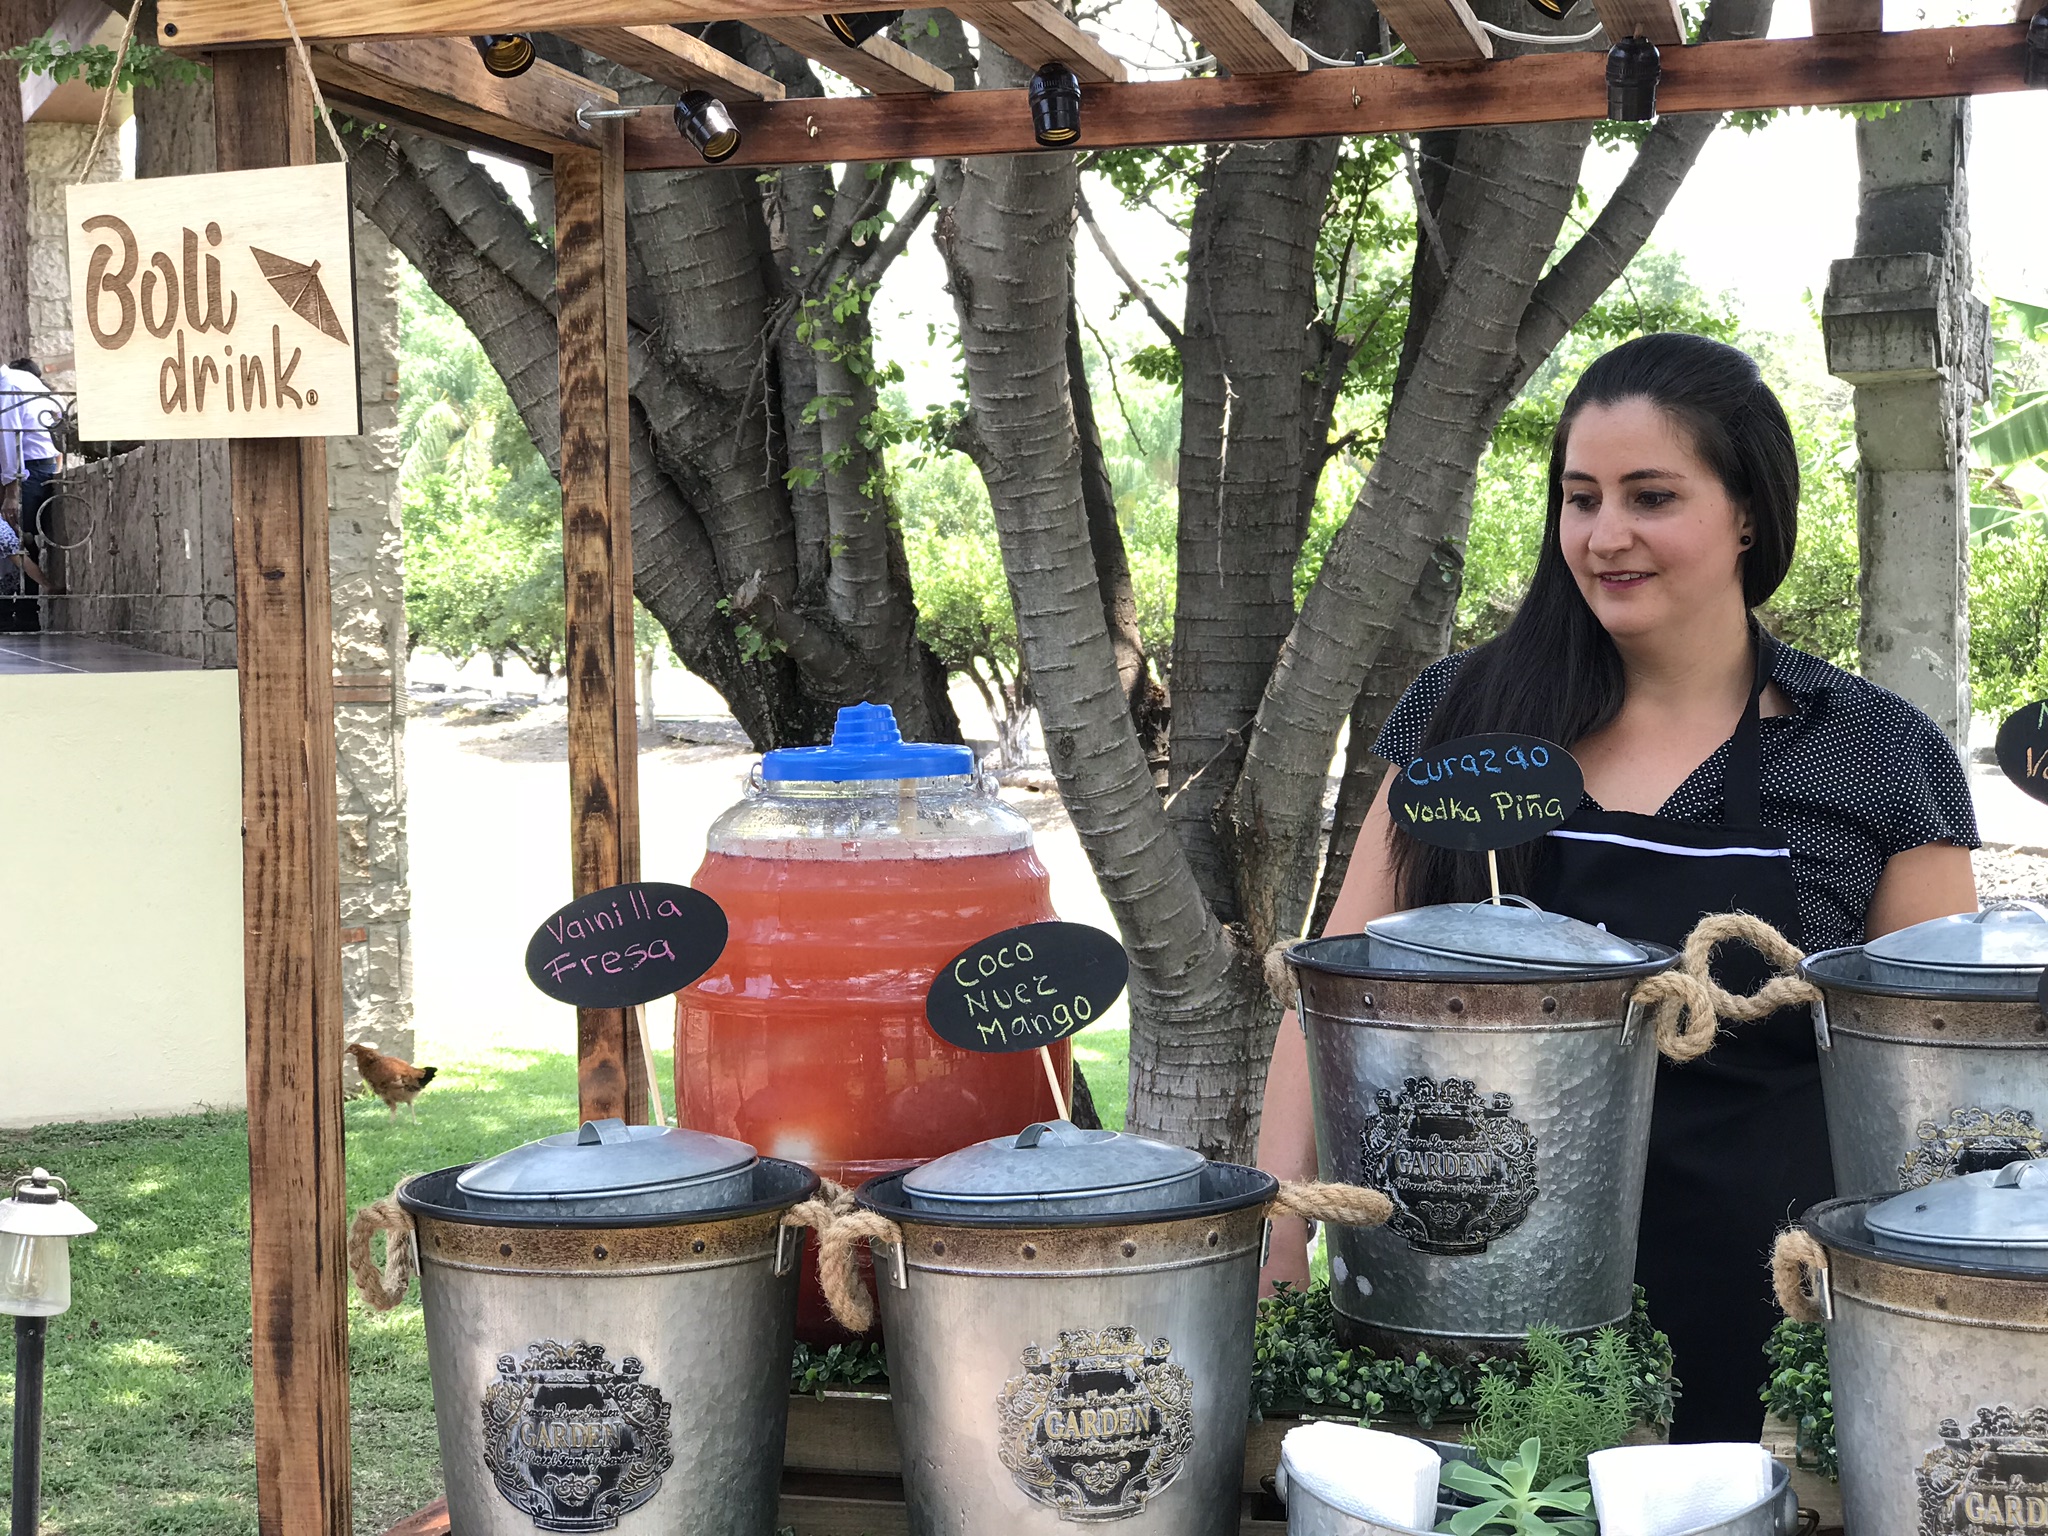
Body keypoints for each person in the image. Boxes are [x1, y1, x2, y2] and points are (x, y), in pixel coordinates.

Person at [1255, 332, 1979, 1441]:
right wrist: (1277, 1223)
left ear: (1748, 513)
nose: (1603, 536)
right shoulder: (1465, 714)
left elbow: (1932, 1092)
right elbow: (1332, 997)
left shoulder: (1874, 752)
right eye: (1579, 497)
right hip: (1461, 1300)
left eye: (1651, 496)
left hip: (1764, 1316)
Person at [0, 358, 59, 633]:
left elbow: (9, 439)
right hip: (35, 464)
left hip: (25, 468)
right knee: (18, 538)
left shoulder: (7, 385)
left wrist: (11, 491)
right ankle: (21, 610)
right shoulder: (24, 379)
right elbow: (57, 415)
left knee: (18, 538)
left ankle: (20, 612)